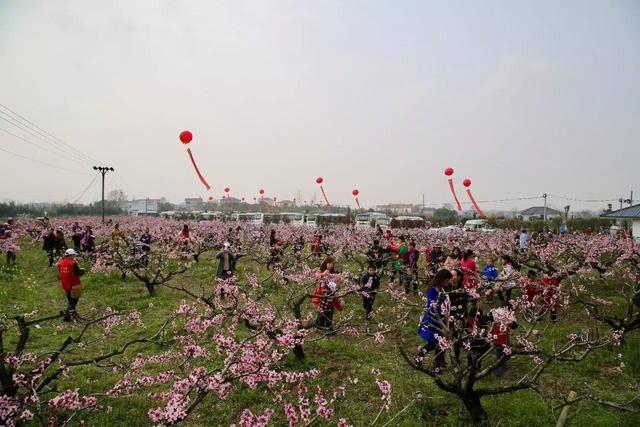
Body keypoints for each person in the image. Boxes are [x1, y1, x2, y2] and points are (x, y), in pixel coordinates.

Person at [416, 269, 453, 368]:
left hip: (442, 320)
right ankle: (420, 358)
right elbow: (431, 307)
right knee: (433, 344)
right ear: (442, 279)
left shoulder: (442, 290)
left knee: (440, 344)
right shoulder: (433, 290)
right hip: (434, 321)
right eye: (447, 280)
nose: (448, 282)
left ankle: (437, 366)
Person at [489, 308, 518, 377]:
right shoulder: (503, 326)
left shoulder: (499, 324)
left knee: (502, 355)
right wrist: (507, 344)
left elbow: (492, 333)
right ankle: (498, 372)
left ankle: (502, 366)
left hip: (499, 343)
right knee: (499, 357)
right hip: (499, 343)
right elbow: (506, 337)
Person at [58, 248, 84, 322]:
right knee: (75, 299)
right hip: (74, 284)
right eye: (73, 255)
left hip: (65, 284)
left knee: (70, 299)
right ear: (71, 255)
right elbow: (78, 272)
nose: (74, 257)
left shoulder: (60, 263)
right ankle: (67, 315)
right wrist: (83, 271)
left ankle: (72, 314)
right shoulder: (73, 263)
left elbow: (60, 273)